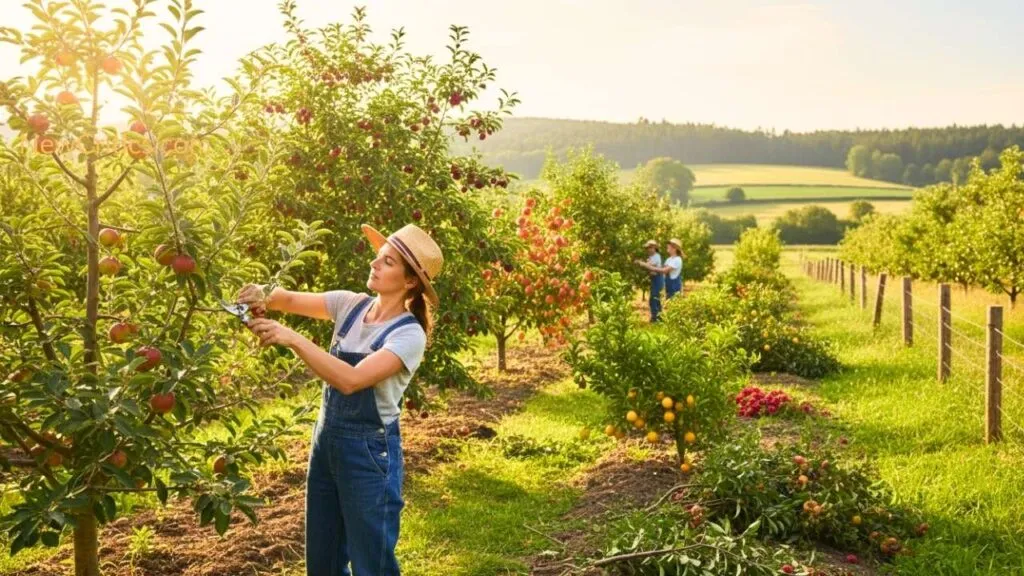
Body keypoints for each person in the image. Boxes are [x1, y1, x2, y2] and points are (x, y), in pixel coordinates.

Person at [236, 223, 443, 576]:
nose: (375, 265)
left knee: (371, 563)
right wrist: (259, 294)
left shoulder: (409, 334)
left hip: (368, 452)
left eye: (388, 262)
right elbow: (283, 299)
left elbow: (351, 380)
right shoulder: (349, 304)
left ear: (410, 281)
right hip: (327, 442)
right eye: (378, 258)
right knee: (323, 560)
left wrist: (294, 340)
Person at [634, 239, 664, 322]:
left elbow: (650, 266)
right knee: (655, 299)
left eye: (650, 247)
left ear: (654, 248)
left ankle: (656, 318)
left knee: (654, 298)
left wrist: (640, 263)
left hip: (658, 278)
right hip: (654, 279)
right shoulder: (651, 257)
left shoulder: (656, 256)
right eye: (647, 248)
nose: (648, 250)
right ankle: (658, 317)